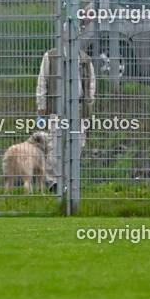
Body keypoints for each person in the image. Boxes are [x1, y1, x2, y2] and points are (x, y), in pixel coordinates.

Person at [36, 46, 96, 193]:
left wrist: (89, 102)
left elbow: (91, 83)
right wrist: (42, 104)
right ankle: (54, 182)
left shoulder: (85, 58)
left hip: (79, 108)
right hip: (57, 107)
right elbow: (42, 81)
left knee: (77, 144)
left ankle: (70, 182)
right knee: (55, 144)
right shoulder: (51, 56)